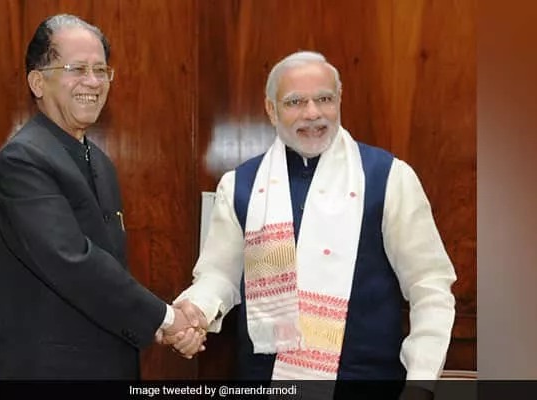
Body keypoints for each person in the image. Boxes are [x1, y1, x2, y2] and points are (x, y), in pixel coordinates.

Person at [161, 51, 457, 399]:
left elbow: (429, 286)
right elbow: (219, 275)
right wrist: (195, 309)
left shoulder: (390, 177)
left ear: (339, 100)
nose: (313, 113)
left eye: (324, 99)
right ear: (271, 109)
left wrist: (421, 381)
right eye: (295, 102)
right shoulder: (240, 184)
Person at [0, 14, 204, 380]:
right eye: (77, 69)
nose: (93, 82)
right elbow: (74, 263)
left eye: (101, 70)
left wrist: (159, 321)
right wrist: (166, 319)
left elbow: (109, 270)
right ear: (38, 82)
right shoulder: (21, 161)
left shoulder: (99, 161)